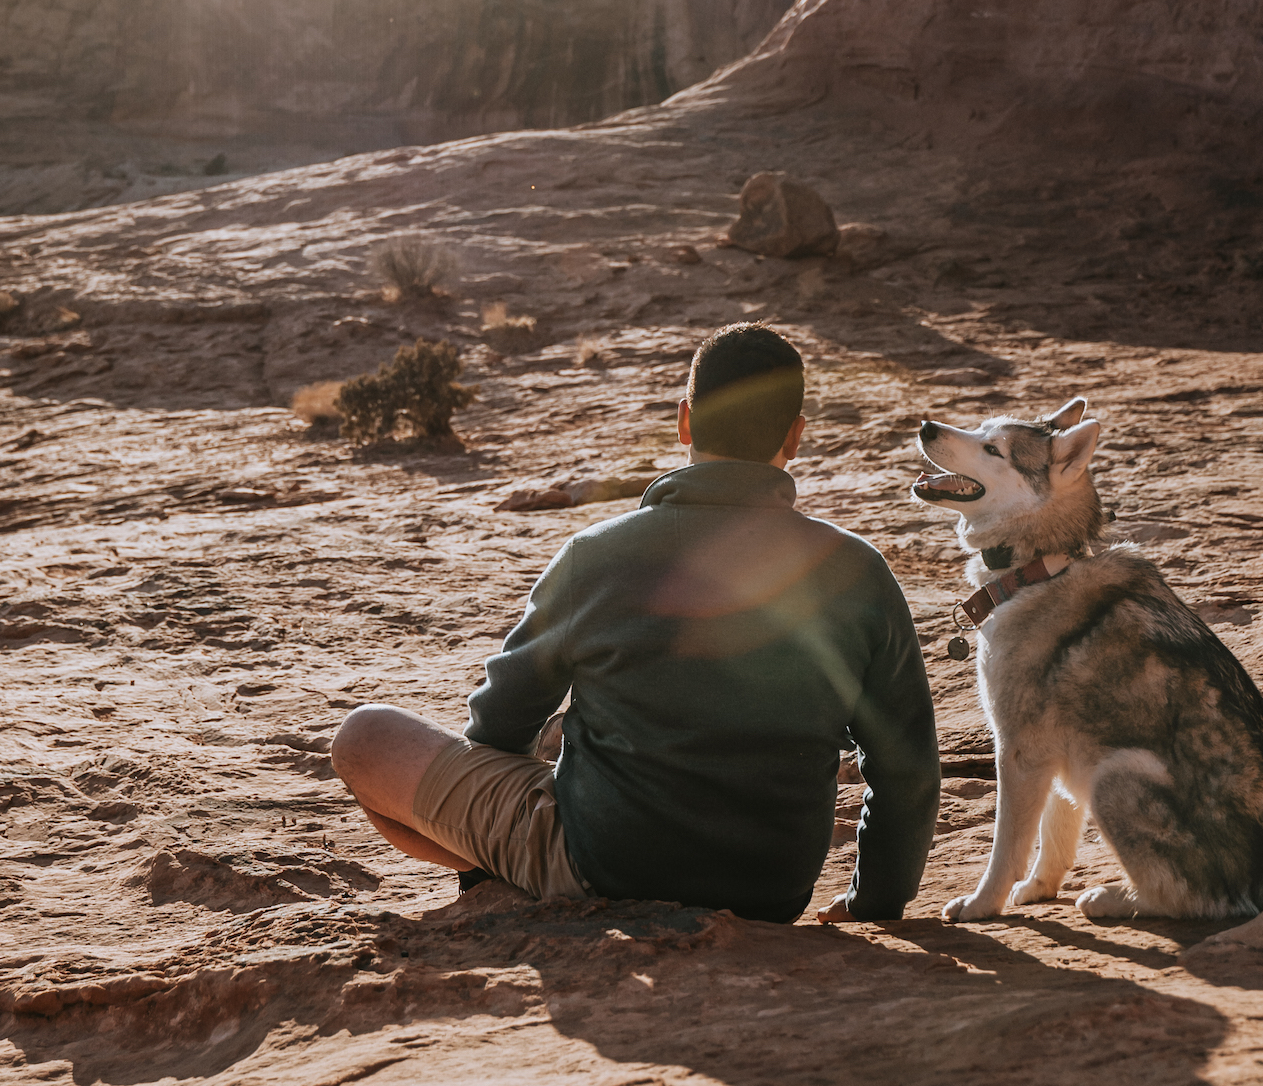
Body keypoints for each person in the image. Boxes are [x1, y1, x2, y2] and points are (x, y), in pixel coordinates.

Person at [329, 321, 940, 924]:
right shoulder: (857, 570)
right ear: (797, 435)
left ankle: (507, 883)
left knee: (365, 737)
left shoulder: (596, 554)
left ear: (685, 422)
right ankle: (521, 879)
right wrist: (875, 903)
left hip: (609, 870)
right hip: (773, 892)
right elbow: (906, 768)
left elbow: (498, 724)